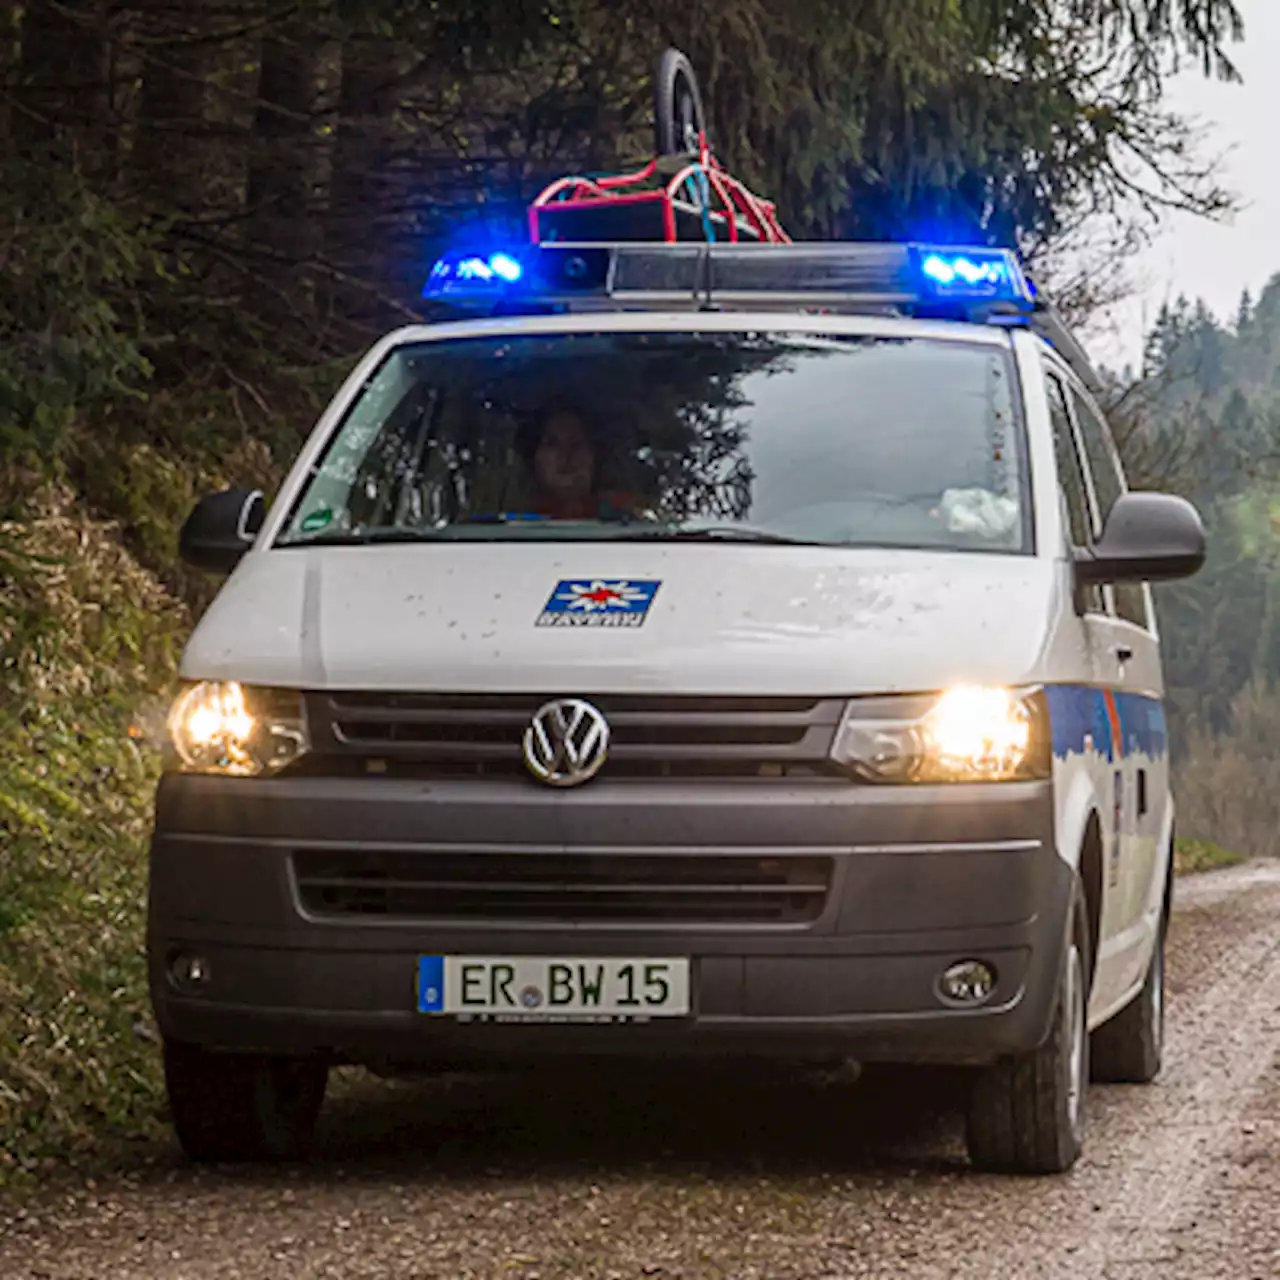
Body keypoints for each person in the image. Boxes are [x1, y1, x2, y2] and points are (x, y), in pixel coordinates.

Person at [515, 399, 644, 520]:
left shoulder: (626, 513)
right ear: (534, 458)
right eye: (552, 444)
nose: (565, 455)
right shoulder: (514, 522)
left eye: (576, 444)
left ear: (594, 455)